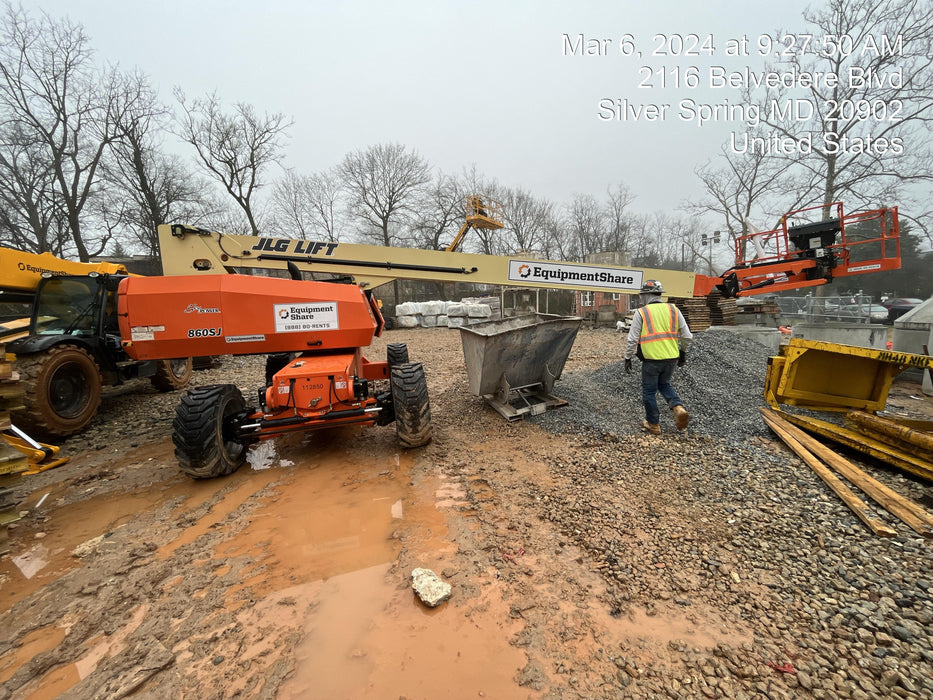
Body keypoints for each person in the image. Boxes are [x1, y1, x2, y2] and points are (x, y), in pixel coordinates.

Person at [624, 279, 693, 435]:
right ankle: (677, 407)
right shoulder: (674, 309)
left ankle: (653, 424)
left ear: (647, 295)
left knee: (649, 392)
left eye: (642, 295)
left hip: (651, 360)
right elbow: (687, 336)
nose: (641, 298)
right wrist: (682, 352)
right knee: (664, 384)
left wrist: (628, 357)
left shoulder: (642, 312)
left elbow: (632, 339)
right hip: (671, 359)